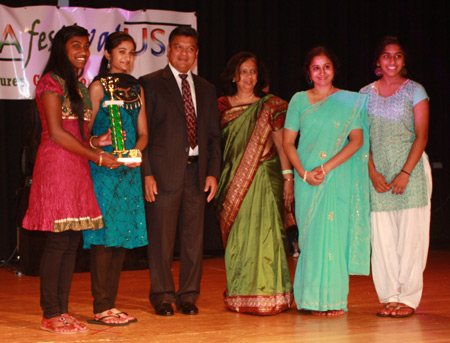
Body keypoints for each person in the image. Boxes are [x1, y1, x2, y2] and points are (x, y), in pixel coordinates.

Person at [22, 25, 121, 334]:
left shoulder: (76, 85)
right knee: (57, 241)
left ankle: (61, 311)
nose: (82, 51)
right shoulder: (50, 81)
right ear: (62, 49)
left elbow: (79, 134)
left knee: (70, 240)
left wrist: (97, 142)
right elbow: (56, 132)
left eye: (86, 45)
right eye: (75, 45)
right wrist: (98, 158)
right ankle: (50, 313)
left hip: (77, 164)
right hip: (57, 166)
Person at [139, 26, 221, 316]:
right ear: (168, 49)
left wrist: (212, 172)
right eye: (178, 47)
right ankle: (162, 295)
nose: (184, 53)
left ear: (196, 53)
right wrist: (146, 172)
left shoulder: (207, 88)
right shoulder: (149, 84)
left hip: (197, 174)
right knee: (161, 240)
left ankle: (188, 295)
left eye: (190, 49)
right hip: (162, 174)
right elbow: (142, 133)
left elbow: (213, 136)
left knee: (193, 240)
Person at [283, 46, 371, 316]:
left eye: (327, 67)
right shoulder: (299, 100)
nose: (322, 73)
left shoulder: (349, 101)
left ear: (335, 69)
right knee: (310, 239)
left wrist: (326, 167)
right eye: (316, 67)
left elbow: (357, 140)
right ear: (309, 73)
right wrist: (304, 173)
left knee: (334, 239)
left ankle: (333, 301)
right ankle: (310, 300)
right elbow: (287, 143)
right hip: (307, 177)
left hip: (336, 175)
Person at [215, 51, 294, 315]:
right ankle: (240, 294)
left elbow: (283, 145)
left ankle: (272, 296)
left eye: (253, 72)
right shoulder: (221, 106)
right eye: (244, 71)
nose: (248, 77)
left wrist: (288, 179)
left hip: (266, 177)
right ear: (234, 76)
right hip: (232, 181)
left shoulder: (270, 105)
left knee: (268, 235)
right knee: (239, 238)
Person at [360, 36, 432, 318]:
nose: (392, 60)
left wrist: (405, 172)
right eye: (386, 56)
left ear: (404, 60)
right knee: (383, 239)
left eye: (398, 55)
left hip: (410, 171)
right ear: (378, 61)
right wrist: (372, 172)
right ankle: (390, 296)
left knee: (411, 238)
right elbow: (360, 138)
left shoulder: (415, 90)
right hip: (377, 173)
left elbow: (422, 135)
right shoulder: (364, 93)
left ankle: (408, 298)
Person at [83, 32, 148, 326]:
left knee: (121, 237)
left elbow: (144, 132)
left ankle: (110, 304)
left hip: (128, 170)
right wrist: (100, 141)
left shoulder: (137, 89)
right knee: (104, 237)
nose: (127, 58)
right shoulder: (97, 87)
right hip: (103, 169)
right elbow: (82, 135)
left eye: (132, 53)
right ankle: (102, 305)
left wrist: (135, 151)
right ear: (108, 55)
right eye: (122, 52)